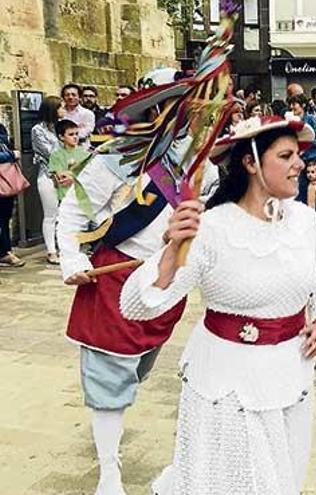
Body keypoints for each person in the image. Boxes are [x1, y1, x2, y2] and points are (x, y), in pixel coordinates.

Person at [119, 113, 316, 494]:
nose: (299, 163)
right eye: (285, 156)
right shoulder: (212, 229)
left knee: (284, 478)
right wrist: (171, 251)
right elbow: (137, 306)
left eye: (297, 154)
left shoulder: (306, 221)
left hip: (292, 374)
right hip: (226, 385)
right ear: (250, 163)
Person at [55, 64, 223, 495]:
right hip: (116, 276)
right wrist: (72, 258)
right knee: (108, 378)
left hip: (166, 281)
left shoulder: (200, 161)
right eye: (170, 104)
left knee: (138, 369)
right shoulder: (117, 157)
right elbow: (74, 211)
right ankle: (109, 472)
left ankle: (110, 437)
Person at [31, 96, 63, 264]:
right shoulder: (38, 130)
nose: (63, 110)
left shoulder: (59, 128)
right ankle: (51, 251)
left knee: (62, 214)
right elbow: (51, 154)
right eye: (60, 107)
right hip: (48, 176)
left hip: (64, 175)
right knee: (50, 215)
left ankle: (61, 246)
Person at [47, 119, 90, 203]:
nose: (75, 137)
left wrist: (72, 176)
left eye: (77, 134)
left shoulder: (85, 153)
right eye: (71, 134)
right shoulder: (56, 155)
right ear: (61, 137)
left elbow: (90, 175)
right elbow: (61, 177)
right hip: (65, 197)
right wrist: (78, 174)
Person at [0, 122, 24, 267]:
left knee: (4, 218)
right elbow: (11, 153)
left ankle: (4, 251)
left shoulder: (1, 127)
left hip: (5, 178)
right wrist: (11, 155)